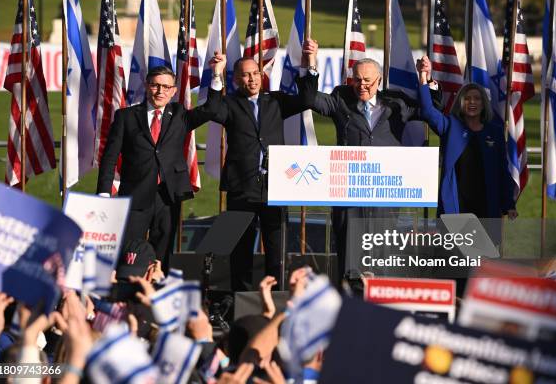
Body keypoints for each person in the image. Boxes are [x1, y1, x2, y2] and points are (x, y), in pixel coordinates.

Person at [299, 40, 443, 281]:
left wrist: (426, 80)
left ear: (378, 81)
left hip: (384, 193)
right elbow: (309, 99)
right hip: (348, 193)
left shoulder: (396, 103)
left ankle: (380, 299)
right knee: (349, 253)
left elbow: (431, 109)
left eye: (367, 80)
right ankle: (349, 300)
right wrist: (311, 63)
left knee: (382, 251)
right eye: (357, 79)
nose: (361, 85)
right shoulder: (340, 99)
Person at [203, 50, 317, 292]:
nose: (252, 79)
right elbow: (211, 111)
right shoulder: (228, 104)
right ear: (236, 80)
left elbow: (307, 100)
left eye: (256, 73)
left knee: (276, 250)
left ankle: (275, 298)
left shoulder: (276, 100)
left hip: (275, 188)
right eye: (245, 75)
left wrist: (310, 66)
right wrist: (216, 74)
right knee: (240, 250)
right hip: (240, 189)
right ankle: (240, 299)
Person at [97, 66, 215, 272]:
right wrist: (104, 192)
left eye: (166, 87)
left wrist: (216, 75)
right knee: (129, 253)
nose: (160, 91)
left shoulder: (179, 114)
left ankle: (157, 295)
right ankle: (127, 296)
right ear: (147, 86)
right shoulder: (126, 116)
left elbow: (211, 109)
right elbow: (109, 158)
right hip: (135, 195)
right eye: (155, 85)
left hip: (168, 197)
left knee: (163, 253)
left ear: (173, 91)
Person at [417, 55, 517, 220]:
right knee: (454, 247)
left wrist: (509, 204)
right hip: (456, 209)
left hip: (487, 209)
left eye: (477, 99)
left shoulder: (495, 132)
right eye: (467, 98)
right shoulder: (450, 126)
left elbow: (502, 171)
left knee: (484, 247)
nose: (472, 102)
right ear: (460, 103)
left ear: (483, 104)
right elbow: (428, 111)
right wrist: (423, 77)